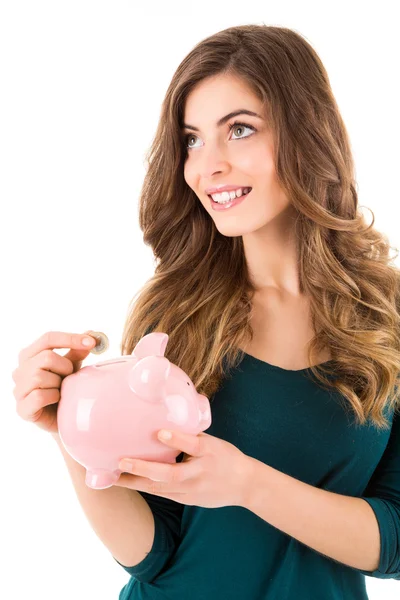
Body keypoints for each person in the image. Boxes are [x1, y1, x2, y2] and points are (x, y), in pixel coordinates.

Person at [12, 24, 400, 600]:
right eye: (192, 140)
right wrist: (70, 432)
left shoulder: (386, 317)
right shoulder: (175, 311)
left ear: (307, 135)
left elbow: (393, 546)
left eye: (238, 130)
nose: (205, 166)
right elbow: (154, 554)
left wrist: (247, 484)